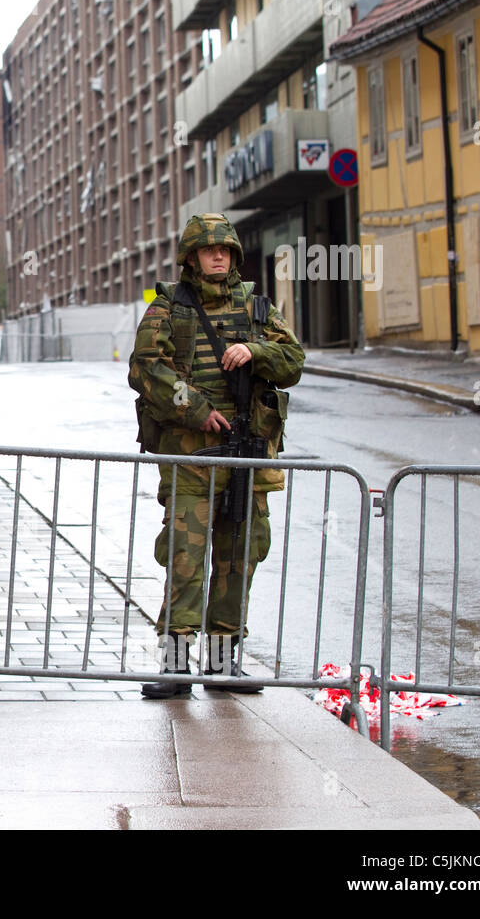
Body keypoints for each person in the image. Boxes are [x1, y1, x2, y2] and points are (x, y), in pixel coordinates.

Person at [129, 213, 304, 698]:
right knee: (185, 560)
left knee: (239, 558)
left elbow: (294, 361)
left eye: (226, 249)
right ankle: (176, 667)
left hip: (248, 455)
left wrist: (255, 350)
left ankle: (224, 666)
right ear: (191, 257)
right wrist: (195, 408)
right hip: (192, 457)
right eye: (209, 249)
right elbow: (145, 369)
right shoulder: (168, 308)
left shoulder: (258, 307)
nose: (219, 255)